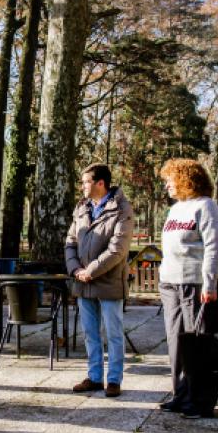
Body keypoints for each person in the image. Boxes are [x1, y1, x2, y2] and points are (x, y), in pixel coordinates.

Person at [156, 158, 218, 419]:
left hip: (196, 284)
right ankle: (180, 394)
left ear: (187, 179)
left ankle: (200, 400)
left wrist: (209, 282)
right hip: (170, 283)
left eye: (170, 180)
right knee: (176, 341)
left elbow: (213, 247)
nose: (167, 186)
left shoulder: (207, 207)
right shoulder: (176, 210)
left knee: (199, 343)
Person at [66, 164, 135, 397]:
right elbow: (70, 241)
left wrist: (91, 271)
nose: (82, 186)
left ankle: (114, 379)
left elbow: (118, 249)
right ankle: (94, 377)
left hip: (108, 281)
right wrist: (75, 269)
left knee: (113, 333)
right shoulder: (81, 207)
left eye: (86, 182)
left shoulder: (122, 209)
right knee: (89, 333)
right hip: (82, 282)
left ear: (100, 183)